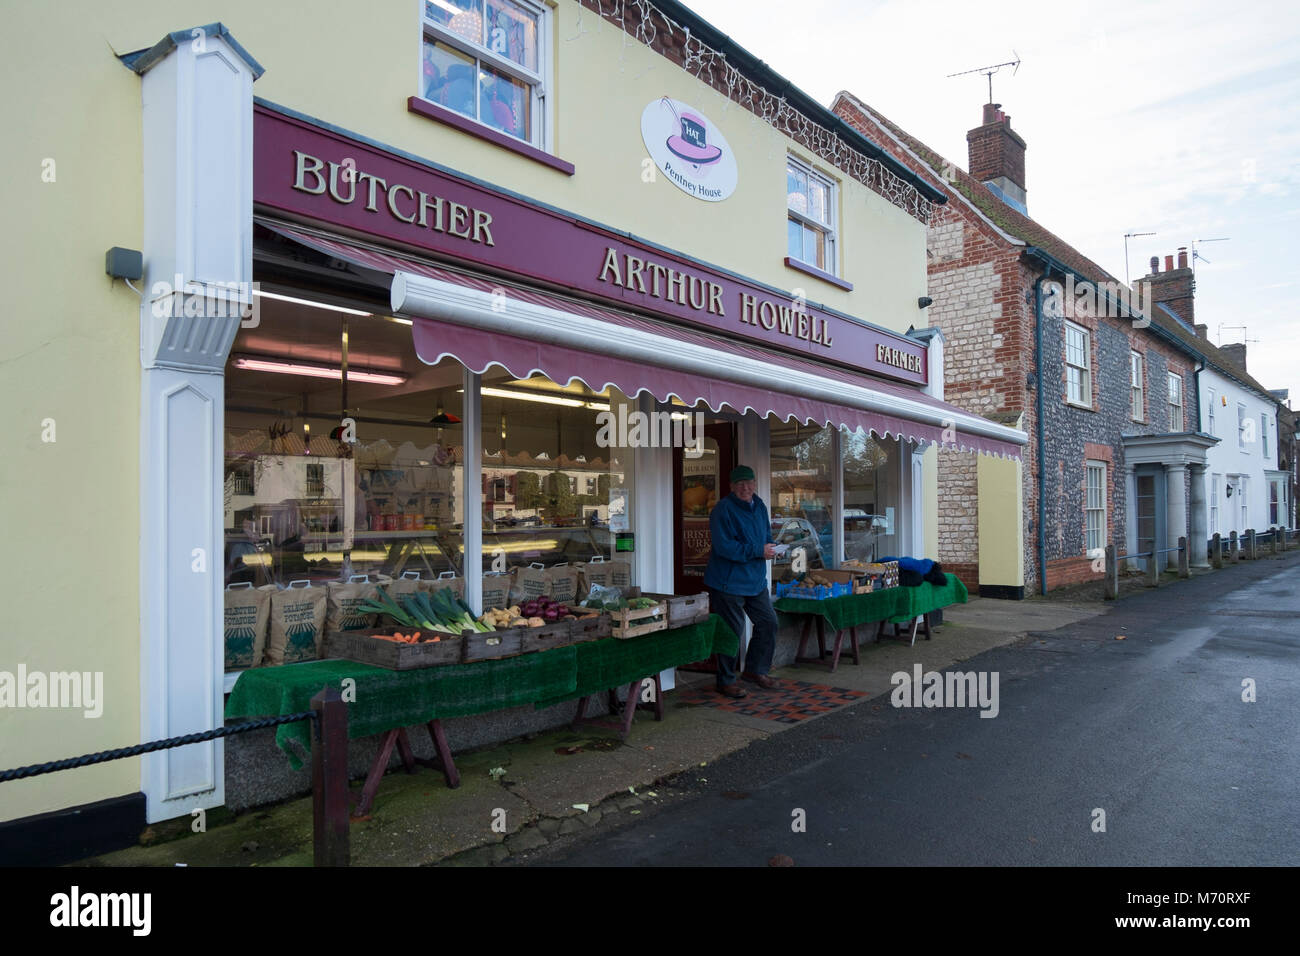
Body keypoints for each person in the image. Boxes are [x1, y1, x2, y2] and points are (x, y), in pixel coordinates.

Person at [704, 465, 780, 698]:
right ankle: (725, 681)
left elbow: (765, 537)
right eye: (740, 484)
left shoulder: (760, 506)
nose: (745, 487)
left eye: (749, 482)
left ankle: (755, 670)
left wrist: (772, 548)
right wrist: (759, 550)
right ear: (731, 486)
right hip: (728, 582)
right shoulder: (722, 510)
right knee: (732, 632)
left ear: (755, 483)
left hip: (755, 580)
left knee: (769, 623)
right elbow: (724, 547)